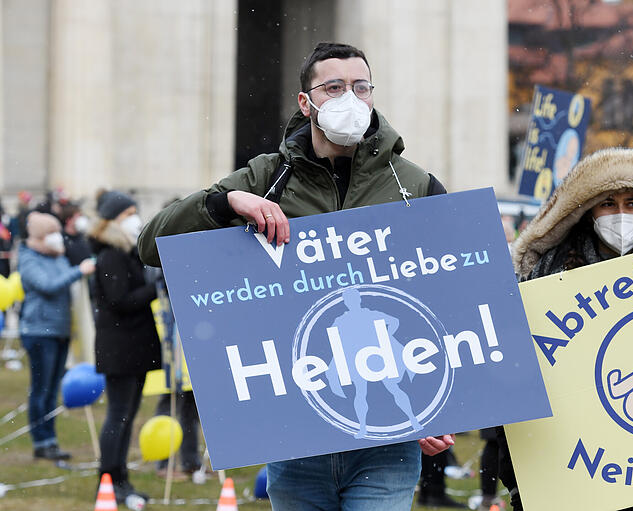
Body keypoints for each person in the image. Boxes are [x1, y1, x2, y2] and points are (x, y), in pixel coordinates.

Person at [138, 42, 453, 510]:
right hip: (296, 432)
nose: (351, 97)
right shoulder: (266, 178)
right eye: (334, 87)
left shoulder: (415, 186)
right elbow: (152, 244)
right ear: (306, 103)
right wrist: (225, 202)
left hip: (387, 441)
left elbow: (452, 296)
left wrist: (444, 404)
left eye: (361, 87)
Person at [500, 147, 633, 511]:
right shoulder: (548, 277)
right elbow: (521, 377)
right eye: (607, 203)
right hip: (574, 463)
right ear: (586, 210)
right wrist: (520, 472)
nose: (620, 215)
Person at [90, 190, 161, 506]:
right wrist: (157, 287)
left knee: (127, 415)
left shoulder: (127, 252)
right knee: (118, 415)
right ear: (112, 220)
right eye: (128, 213)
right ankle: (108, 478)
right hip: (120, 347)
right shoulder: (110, 255)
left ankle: (121, 479)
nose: (135, 218)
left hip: (135, 344)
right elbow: (120, 300)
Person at [18, 212, 95, 461]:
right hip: (40, 332)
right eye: (50, 233)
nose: (56, 237)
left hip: (60, 330)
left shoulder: (58, 256)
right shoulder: (28, 258)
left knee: (52, 390)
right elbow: (48, 286)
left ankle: (51, 439)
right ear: (40, 236)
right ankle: (41, 441)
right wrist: (78, 272)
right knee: (40, 389)